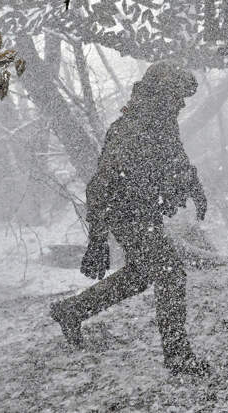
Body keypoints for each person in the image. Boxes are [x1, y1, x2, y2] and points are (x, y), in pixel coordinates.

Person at [50, 62, 210, 376]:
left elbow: (175, 157)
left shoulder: (160, 122)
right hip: (125, 214)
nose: (181, 104)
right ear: (163, 94)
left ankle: (71, 311)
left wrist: (194, 185)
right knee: (170, 274)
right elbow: (100, 186)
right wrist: (96, 239)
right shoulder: (131, 129)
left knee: (140, 274)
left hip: (143, 211)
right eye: (178, 97)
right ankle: (177, 356)